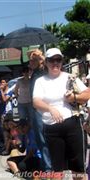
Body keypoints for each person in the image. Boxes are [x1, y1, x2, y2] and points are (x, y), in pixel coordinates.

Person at [33, 48, 90, 179]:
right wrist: (50, 108)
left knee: (78, 168)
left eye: (58, 60)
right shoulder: (40, 81)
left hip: (72, 124)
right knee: (57, 169)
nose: (55, 63)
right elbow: (36, 102)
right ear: (46, 62)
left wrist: (73, 97)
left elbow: (87, 93)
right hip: (52, 128)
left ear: (62, 61)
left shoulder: (70, 77)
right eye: (52, 60)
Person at [28, 48, 52, 172]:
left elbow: (48, 65)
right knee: (39, 140)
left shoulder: (43, 71)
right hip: (34, 110)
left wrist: (40, 56)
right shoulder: (35, 72)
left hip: (41, 109)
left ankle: (48, 169)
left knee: (43, 140)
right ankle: (44, 166)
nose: (29, 63)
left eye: (32, 60)